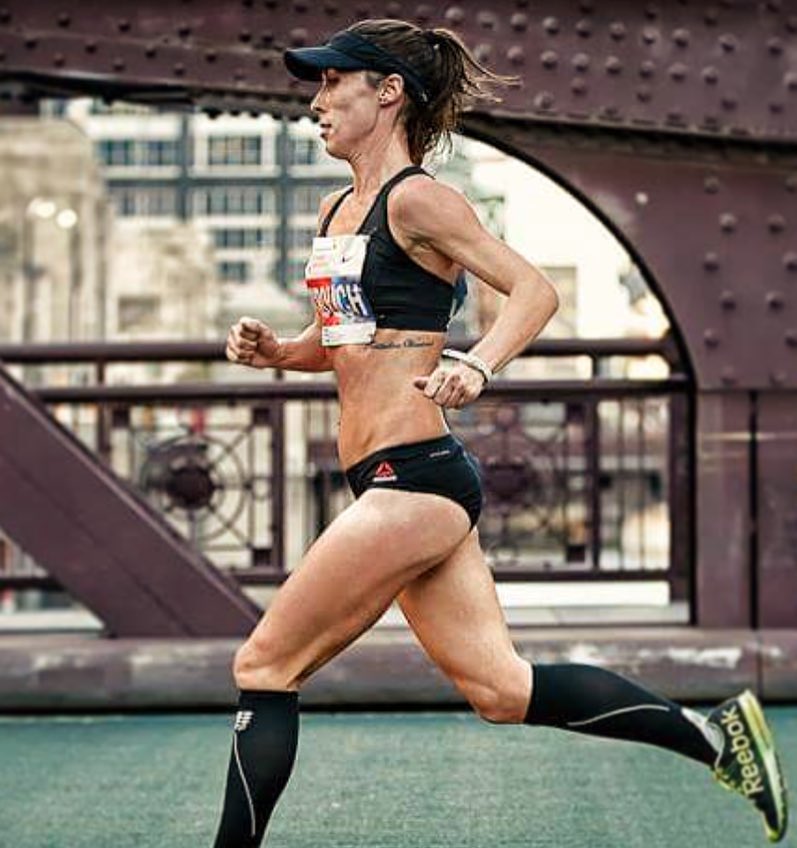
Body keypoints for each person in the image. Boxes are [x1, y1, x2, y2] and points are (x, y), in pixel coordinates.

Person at [213, 18, 788, 847]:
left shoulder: (420, 199)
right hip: (394, 478)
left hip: (411, 479)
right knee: (501, 691)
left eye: (333, 82)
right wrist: (277, 352)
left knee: (264, 666)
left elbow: (531, 292)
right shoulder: (338, 208)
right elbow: (342, 343)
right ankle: (716, 738)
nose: (317, 101)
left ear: (388, 92)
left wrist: (476, 365)